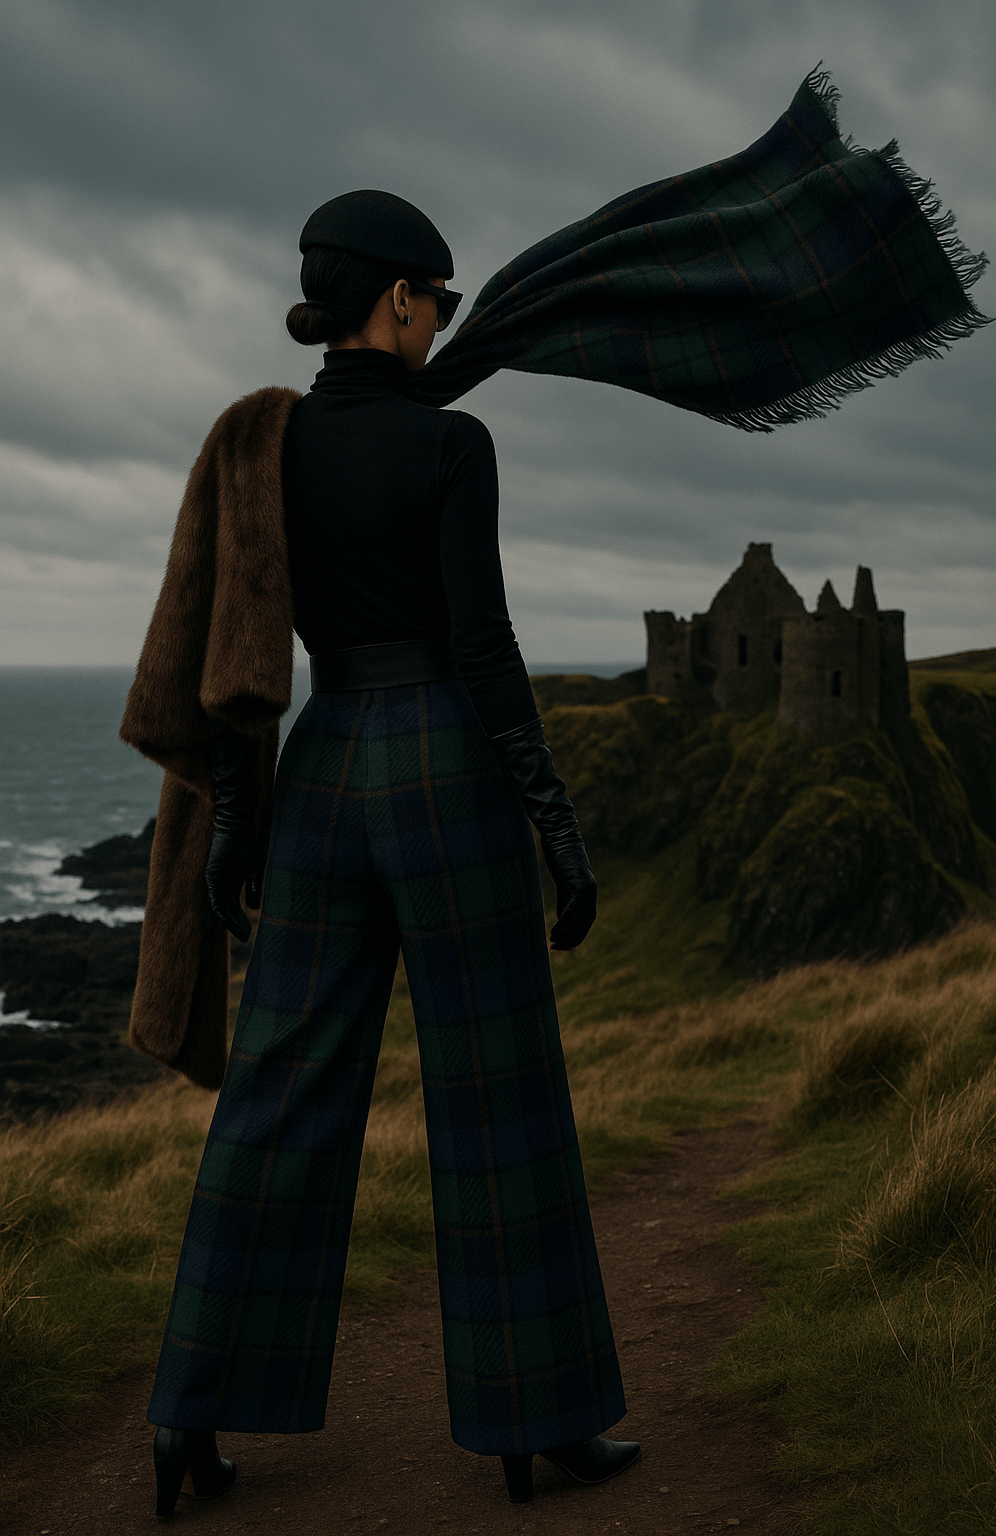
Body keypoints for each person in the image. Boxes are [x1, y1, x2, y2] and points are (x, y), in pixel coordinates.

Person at [143, 191, 639, 1516]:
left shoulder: (269, 446)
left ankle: (186, 1416)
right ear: (405, 302)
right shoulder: (452, 447)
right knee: (500, 1103)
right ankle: (538, 1428)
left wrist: (243, 821)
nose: (443, 326)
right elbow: (482, 650)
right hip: (441, 773)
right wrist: (553, 815)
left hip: (320, 775)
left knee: (276, 1103)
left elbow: (250, 643)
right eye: (443, 304)